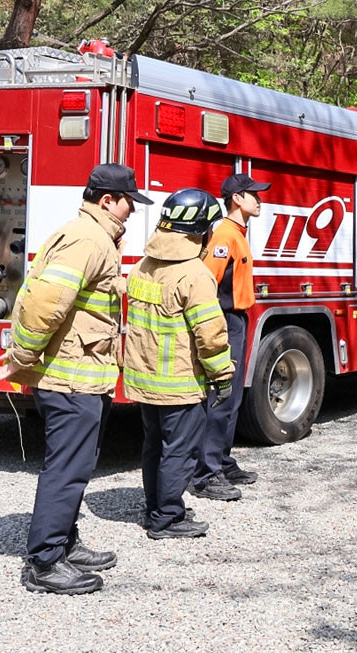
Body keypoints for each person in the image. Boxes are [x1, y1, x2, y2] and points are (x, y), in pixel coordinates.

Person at [0, 164, 152, 594]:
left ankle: (65, 543)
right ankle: (45, 562)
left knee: (78, 466)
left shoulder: (91, 236)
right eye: (127, 203)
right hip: (71, 382)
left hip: (84, 379)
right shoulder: (88, 239)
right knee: (66, 469)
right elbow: (46, 302)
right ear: (107, 200)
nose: (131, 212)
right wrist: (20, 357)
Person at [125, 189, 234, 539]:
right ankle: (168, 518)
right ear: (200, 230)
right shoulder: (195, 275)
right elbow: (211, 334)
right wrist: (222, 376)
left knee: (153, 446)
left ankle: (154, 507)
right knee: (180, 451)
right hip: (180, 384)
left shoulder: (143, 266)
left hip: (145, 380)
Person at [190, 173, 270, 502]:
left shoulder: (237, 232)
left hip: (236, 319)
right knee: (222, 396)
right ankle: (206, 473)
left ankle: (222, 459)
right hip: (225, 320)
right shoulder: (225, 234)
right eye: (253, 194)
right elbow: (208, 280)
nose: (259, 200)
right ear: (237, 198)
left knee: (233, 396)